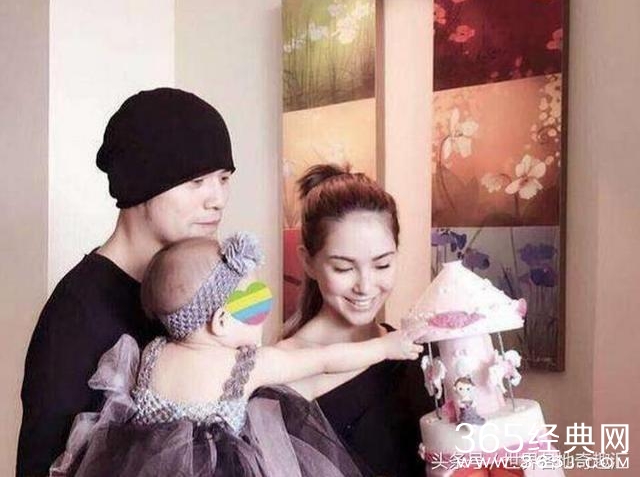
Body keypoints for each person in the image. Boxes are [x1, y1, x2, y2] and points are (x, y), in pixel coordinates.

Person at [50, 233, 423, 476]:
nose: (262, 316)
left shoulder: (150, 353)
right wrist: (384, 347)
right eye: (254, 305)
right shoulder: (244, 366)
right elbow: (324, 360)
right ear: (222, 321)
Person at [17, 88, 236, 477]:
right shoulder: (76, 313)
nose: (217, 199)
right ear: (141, 183)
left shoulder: (207, 280)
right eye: (197, 181)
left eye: (223, 178)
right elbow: (40, 464)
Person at [280, 164, 436, 477]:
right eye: (343, 268)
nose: (365, 286)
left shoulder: (419, 354)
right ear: (308, 261)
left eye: (382, 265)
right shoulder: (283, 368)